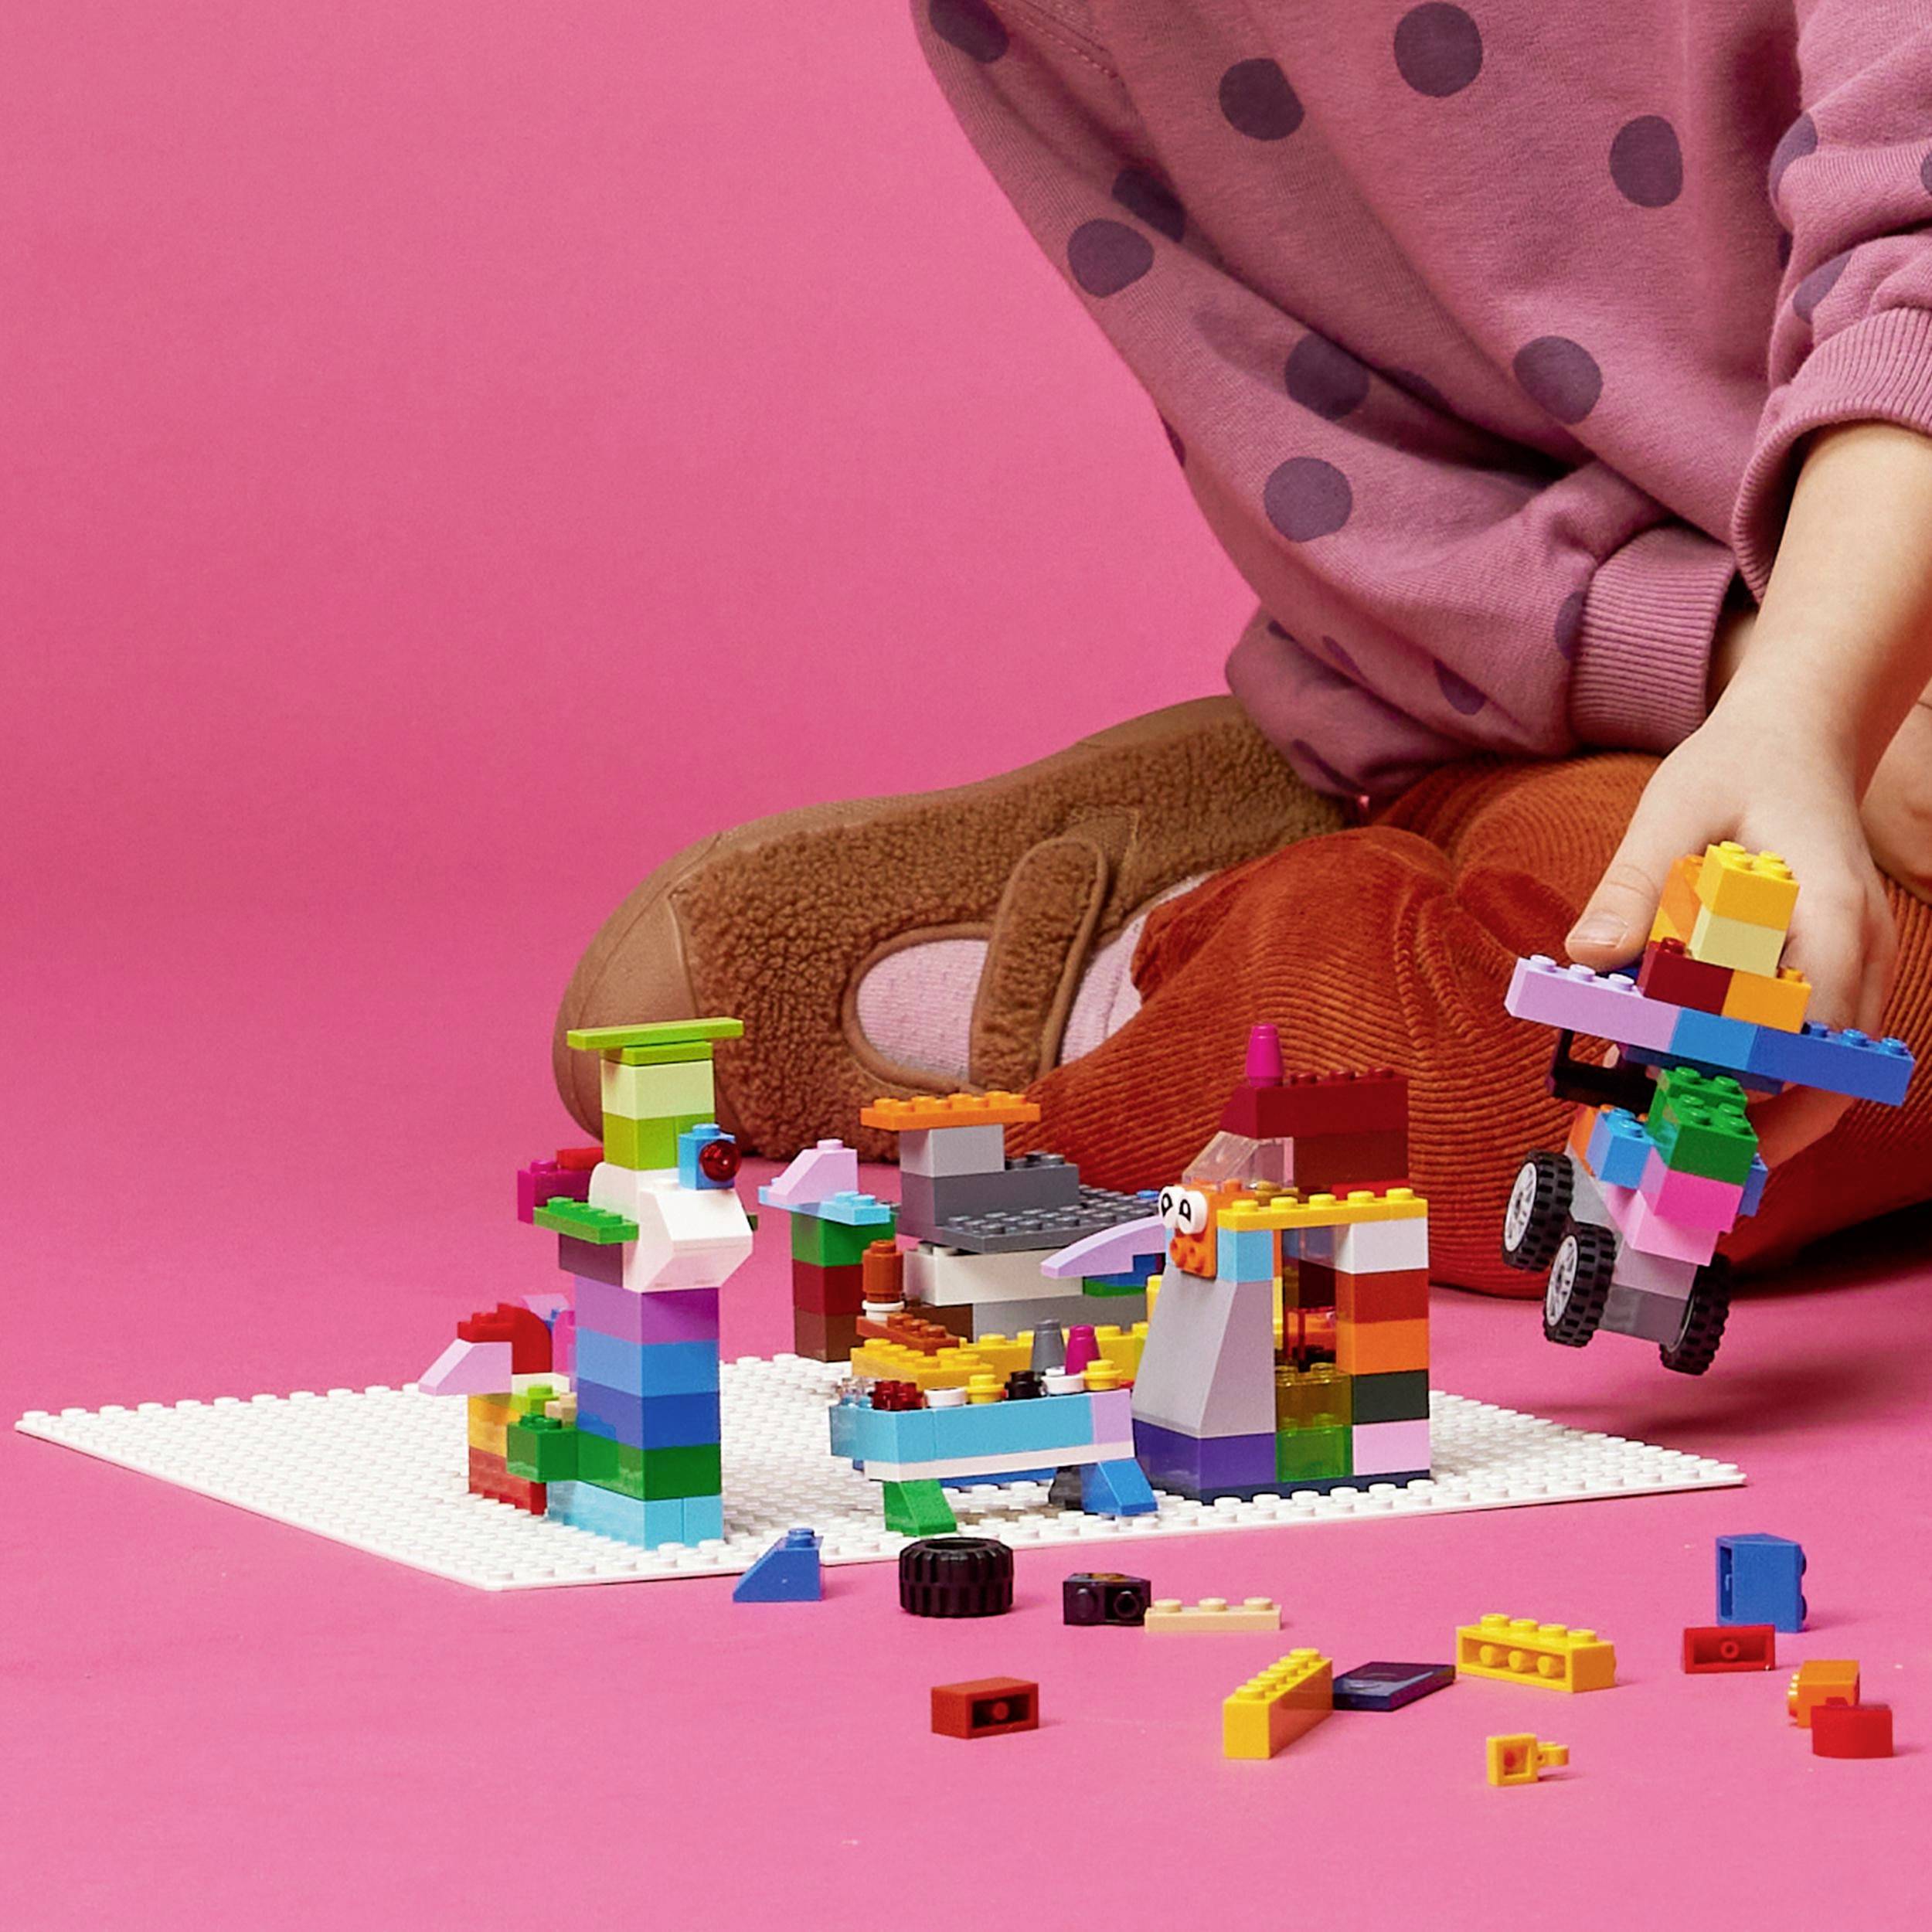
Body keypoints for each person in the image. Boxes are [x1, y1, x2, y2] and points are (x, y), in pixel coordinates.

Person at [553, 3, 1932, 1294]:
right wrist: (1773, 691)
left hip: (1828, 644)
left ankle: (1204, 960)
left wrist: (1829, 680)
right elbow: (1362, 496)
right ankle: (1209, 950)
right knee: (1657, 1096)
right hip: (1628, 690)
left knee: (1732, 1066)